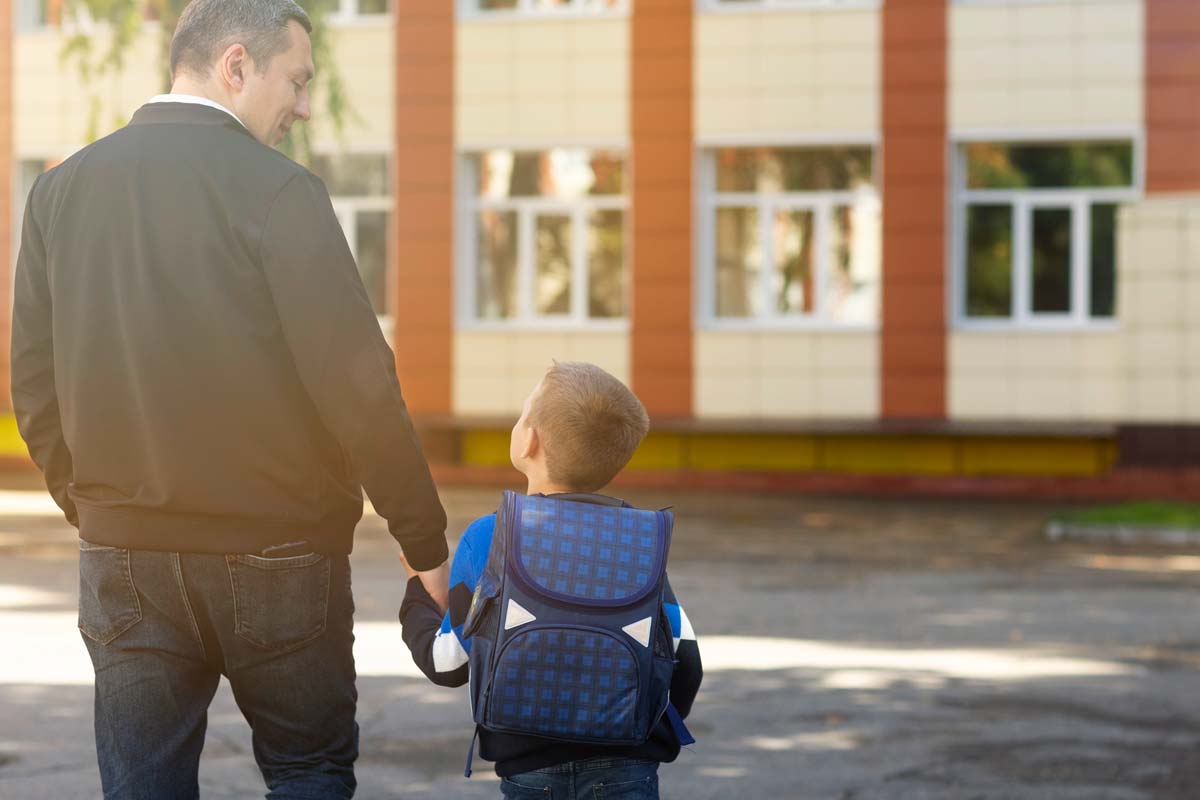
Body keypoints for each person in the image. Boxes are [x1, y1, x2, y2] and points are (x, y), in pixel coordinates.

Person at [10, 1, 449, 797]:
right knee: (309, 772)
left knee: (143, 786)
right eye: (298, 79)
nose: (305, 105)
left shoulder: (58, 193)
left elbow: (33, 386)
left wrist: (100, 511)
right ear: (236, 65)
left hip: (124, 555)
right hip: (279, 553)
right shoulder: (281, 192)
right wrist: (426, 546)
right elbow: (358, 387)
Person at [399, 362, 702, 799]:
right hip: (628, 769)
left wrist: (417, 595)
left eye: (524, 414)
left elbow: (448, 664)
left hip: (530, 772)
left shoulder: (491, 535)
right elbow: (685, 660)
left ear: (529, 439)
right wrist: (639, 733)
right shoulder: (637, 540)